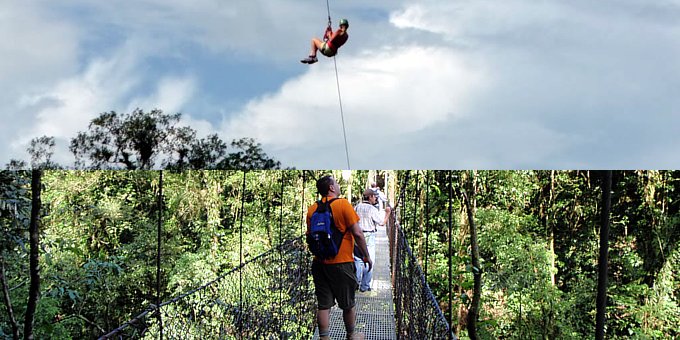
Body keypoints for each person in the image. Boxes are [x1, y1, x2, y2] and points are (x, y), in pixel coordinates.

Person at [307, 175, 370, 340]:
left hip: (319, 263)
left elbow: (310, 237)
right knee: (348, 304)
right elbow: (357, 233)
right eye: (336, 182)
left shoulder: (312, 209)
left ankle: (324, 337)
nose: (338, 184)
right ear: (331, 188)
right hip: (341, 263)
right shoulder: (343, 204)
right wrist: (366, 255)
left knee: (324, 305)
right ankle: (351, 335)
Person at [353, 189, 391, 292]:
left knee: (358, 260)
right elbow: (382, 222)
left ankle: (356, 283)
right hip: (369, 236)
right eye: (374, 197)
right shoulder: (372, 209)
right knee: (369, 260)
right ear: (370, 197)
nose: (376, 199)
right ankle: (365, 286)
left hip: (357, 236)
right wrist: (388, 213)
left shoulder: (356, 207)